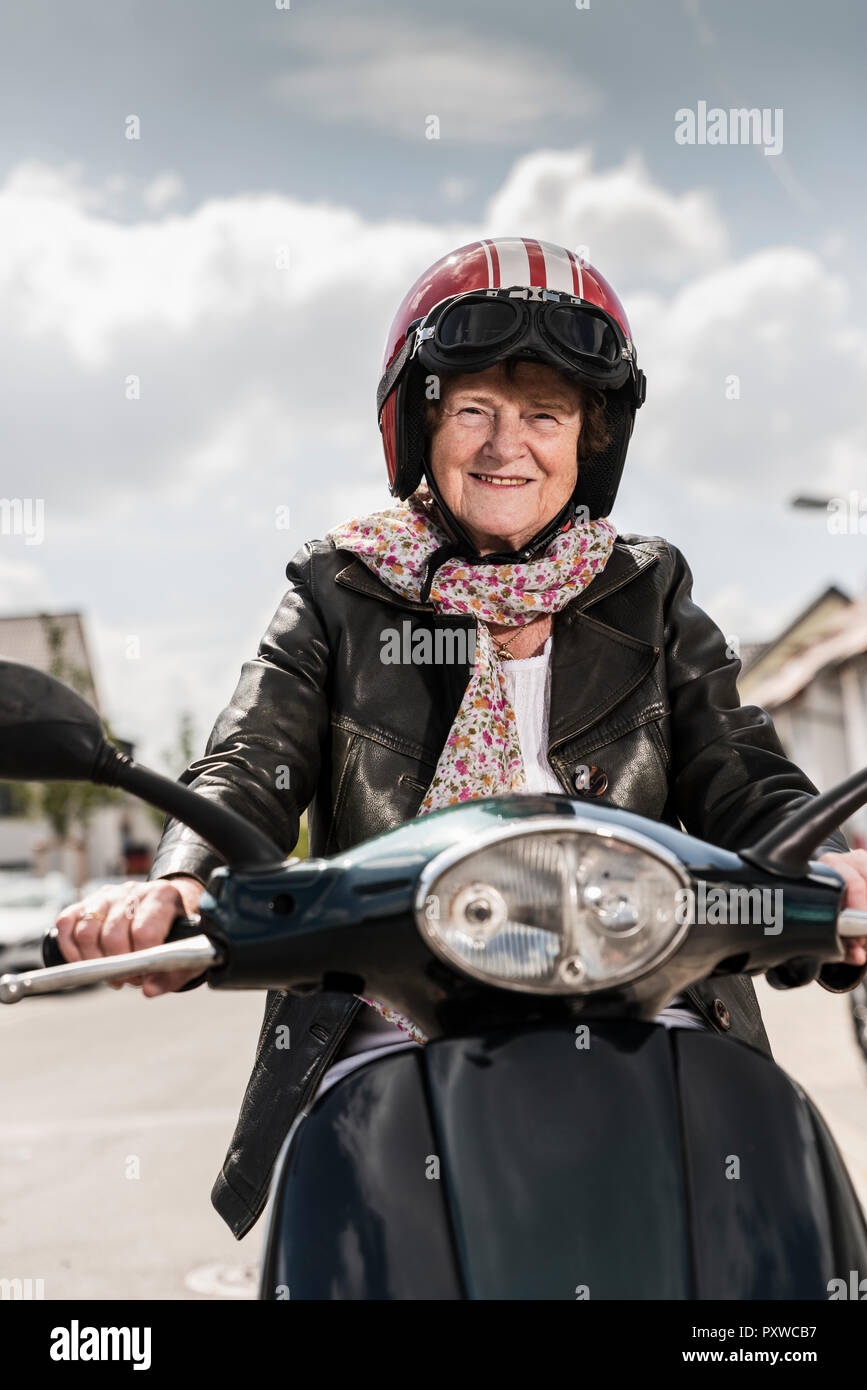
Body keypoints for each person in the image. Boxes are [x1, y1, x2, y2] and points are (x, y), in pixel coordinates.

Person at [55, 236, 867, 1241]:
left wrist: (833, 862)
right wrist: (179, 884)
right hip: (393, 1040)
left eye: (545, 414)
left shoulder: (650, 592)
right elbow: (250, 760)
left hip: (654, 1028)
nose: (505, 445)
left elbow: (742, 771)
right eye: (474, 408)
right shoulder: (340, 587)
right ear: (419, 424)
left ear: (589, 440)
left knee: (781, 1260)